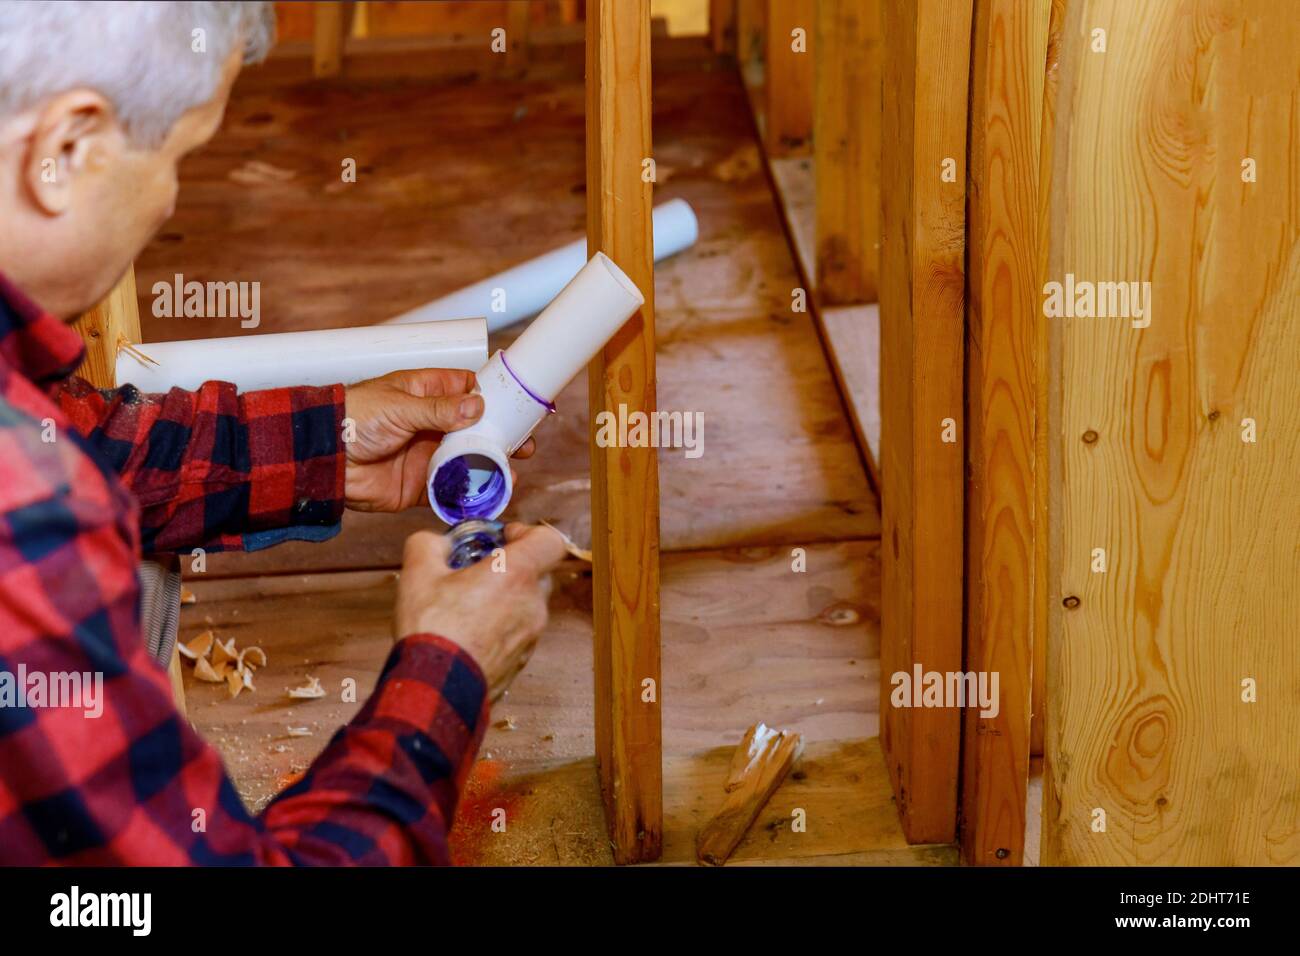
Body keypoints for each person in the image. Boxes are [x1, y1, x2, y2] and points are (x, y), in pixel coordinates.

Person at [0, 1, 567, 864]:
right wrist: (449, 673)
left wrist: (332, 444)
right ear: (65, 150)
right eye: (181, 157)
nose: (168, 204)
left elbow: (81, 438)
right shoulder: (28, 522)